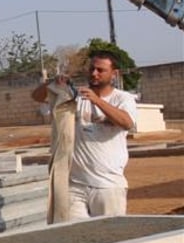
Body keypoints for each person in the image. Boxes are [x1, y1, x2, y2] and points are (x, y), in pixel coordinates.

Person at [32, 50, 138, 220]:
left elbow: (127, 122)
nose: (94, 73)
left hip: (107, 186)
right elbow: (36, 97)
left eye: (100, 70)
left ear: (114, 74)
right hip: (75, 185)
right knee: (75, 236)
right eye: (92, 69)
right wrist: (52, 83)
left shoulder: (123, 99)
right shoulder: (76, 97)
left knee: (110, 239)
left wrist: (97, 100)